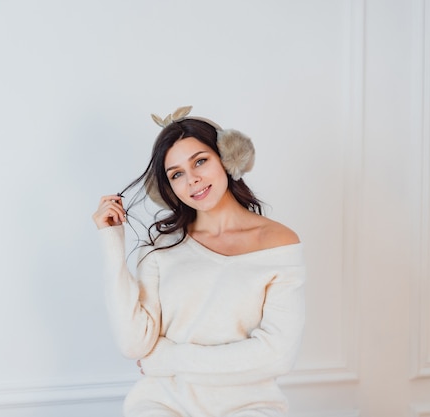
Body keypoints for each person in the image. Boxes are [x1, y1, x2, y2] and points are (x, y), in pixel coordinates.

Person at [92, 106, 306, 417]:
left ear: (227, 158)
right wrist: (112, 241)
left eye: (200, 161)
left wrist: (167, 359)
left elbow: (277, 356)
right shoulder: (161, 247)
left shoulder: (279, 243)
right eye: (177, 174)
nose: (192, 180)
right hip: (163, 404)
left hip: (251, 407)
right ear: (169, 187)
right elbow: (134, 345)